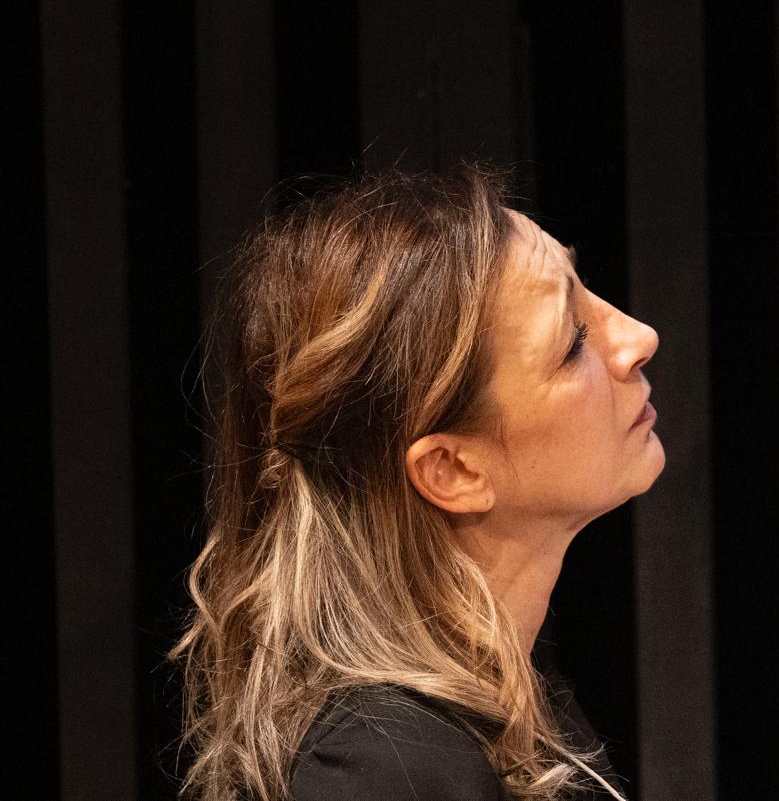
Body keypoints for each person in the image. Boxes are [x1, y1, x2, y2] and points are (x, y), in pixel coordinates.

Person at [173, 168, 660, 800]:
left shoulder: (504, 694)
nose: (639, 338)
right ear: (453, 470)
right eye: (573, 342)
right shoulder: (388, 769)